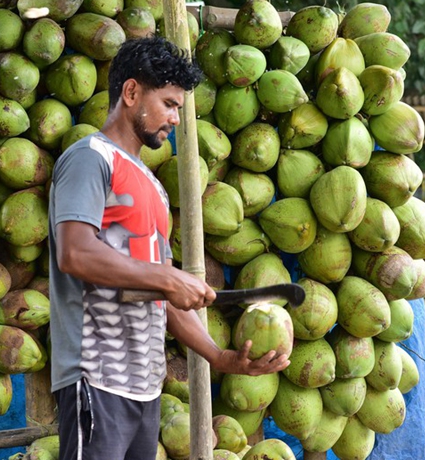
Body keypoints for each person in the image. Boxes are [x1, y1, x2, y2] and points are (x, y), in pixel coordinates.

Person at [48, 37, 290, 460]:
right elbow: (76, 253)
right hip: (96, 378)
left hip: (146, 388)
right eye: (169, 104)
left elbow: (165, 296)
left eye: (179, 107)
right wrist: (165, 276)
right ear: (131, 93)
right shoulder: (90, 158)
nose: (176, 118)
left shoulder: (154, 188)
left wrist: (220, 357)